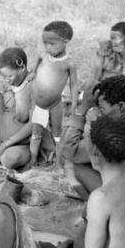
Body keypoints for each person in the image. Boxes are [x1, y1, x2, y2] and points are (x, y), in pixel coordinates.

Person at [37, 116, 125, 248]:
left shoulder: (101, 198)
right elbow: (110, 242)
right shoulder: (121, 183)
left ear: (94, 150)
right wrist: (70, 245)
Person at [0, 47, 54, 170]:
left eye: (9, 76)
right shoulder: (13, 82)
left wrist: (5, 145)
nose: (6, 80)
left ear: (22, 68)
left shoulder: (36, 87)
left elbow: (35, 125)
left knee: (9, 159)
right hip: (2, 141)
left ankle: (3, 152)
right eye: (3, 76)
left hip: (23, 144)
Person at [60, 74, 125, 201]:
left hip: (120, 195)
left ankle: (91, 205)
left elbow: (69, 151)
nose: (100, 113)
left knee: (70, 165)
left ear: (121, 107)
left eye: (102, 109)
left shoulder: (113, 132)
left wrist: (83, 107)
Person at [28, 21, 78, 169]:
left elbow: (73, 84)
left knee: (57, 133)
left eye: (52, 44)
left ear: (65, 41)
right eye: (45, 43)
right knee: (35, 133)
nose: (48, 47)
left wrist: (74, 104)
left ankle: (57, 164)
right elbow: (34, 68)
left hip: (55, 104)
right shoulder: (43, 55)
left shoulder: (69, 63)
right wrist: (32, 73)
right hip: (38, 104)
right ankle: (32, 162)